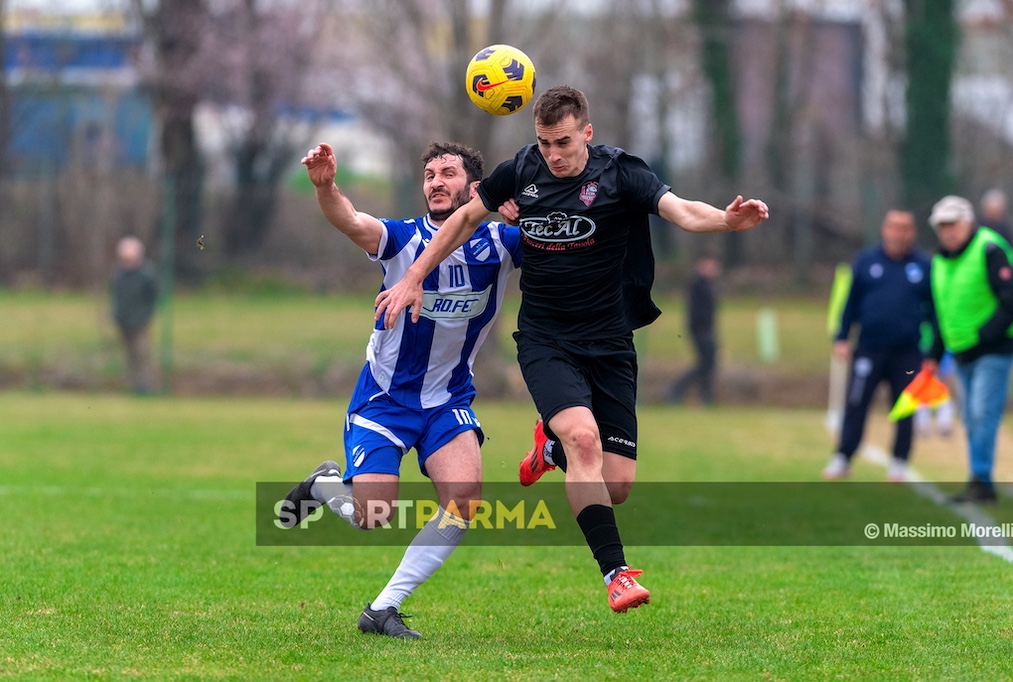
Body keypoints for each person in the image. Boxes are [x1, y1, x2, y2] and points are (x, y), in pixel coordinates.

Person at [374, 85, 769, 613]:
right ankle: (616, 574)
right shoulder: (521, 171)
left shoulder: (622, 172)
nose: (553, 155)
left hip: (610, 342)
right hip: (545, 339)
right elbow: (467, 218)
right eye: (544, 143)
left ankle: (550, 448)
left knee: (618, 485)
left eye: (562, 142)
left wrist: (725, 218)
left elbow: (681, 211)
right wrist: (415, 277)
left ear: (587, 131)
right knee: (585, 439)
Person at [278, 141, 521, 638]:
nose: (435, 181)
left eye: (448, 173)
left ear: (475, 188)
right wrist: (326, 187)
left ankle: (383, 609)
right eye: (429, 173)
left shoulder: (500, 243)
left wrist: (528, 209)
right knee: (374, 516)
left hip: (449, 398)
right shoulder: (401, 238)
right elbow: (349, 219)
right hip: (385, 400)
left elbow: (555, 239)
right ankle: (324, 485)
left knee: (465, 501)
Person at [821, 210, 934, 483]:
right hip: (869, 348)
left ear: (912, 233)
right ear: (885, 230)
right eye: (894, 228)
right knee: (856, 402)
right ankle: (843, 456)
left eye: (904, 228)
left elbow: (934, 311)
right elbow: (851, 301)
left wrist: (933, 353)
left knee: (904, 408)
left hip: (907, 352)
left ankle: (899, 461)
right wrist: (842, 336)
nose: (898, 234)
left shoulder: (924, 265)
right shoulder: (866, 260)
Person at [926, 195, 1013, 504]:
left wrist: (984, 335)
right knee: (970, 417)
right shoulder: (940, 261)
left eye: (953, 224)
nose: (948, 231)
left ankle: (981, 480)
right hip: (962, 351)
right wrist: (933, 355)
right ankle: (979, 480)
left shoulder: (989, 249)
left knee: (982, 413)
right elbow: (944, 313)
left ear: (968, 222)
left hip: (993, 350)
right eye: (942, 226)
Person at [667, 254, 721, 405]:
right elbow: (695, 311)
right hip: (701, 331)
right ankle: (677, 390)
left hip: (708, 330)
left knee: (708, 364)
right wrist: (701, 330)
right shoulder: (697, 284)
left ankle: (705, 397)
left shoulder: (708, 284)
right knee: (705, 364)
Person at [109, 236, 158, 394]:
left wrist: (145, 315)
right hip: (123, 321)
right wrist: (116, 314)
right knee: (129, 356)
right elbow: (115, 296)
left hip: (140, 321)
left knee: (141, 354)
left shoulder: (146, 274)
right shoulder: (118, 274)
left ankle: (145, 387)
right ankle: (133, 386)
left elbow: (154, 297)